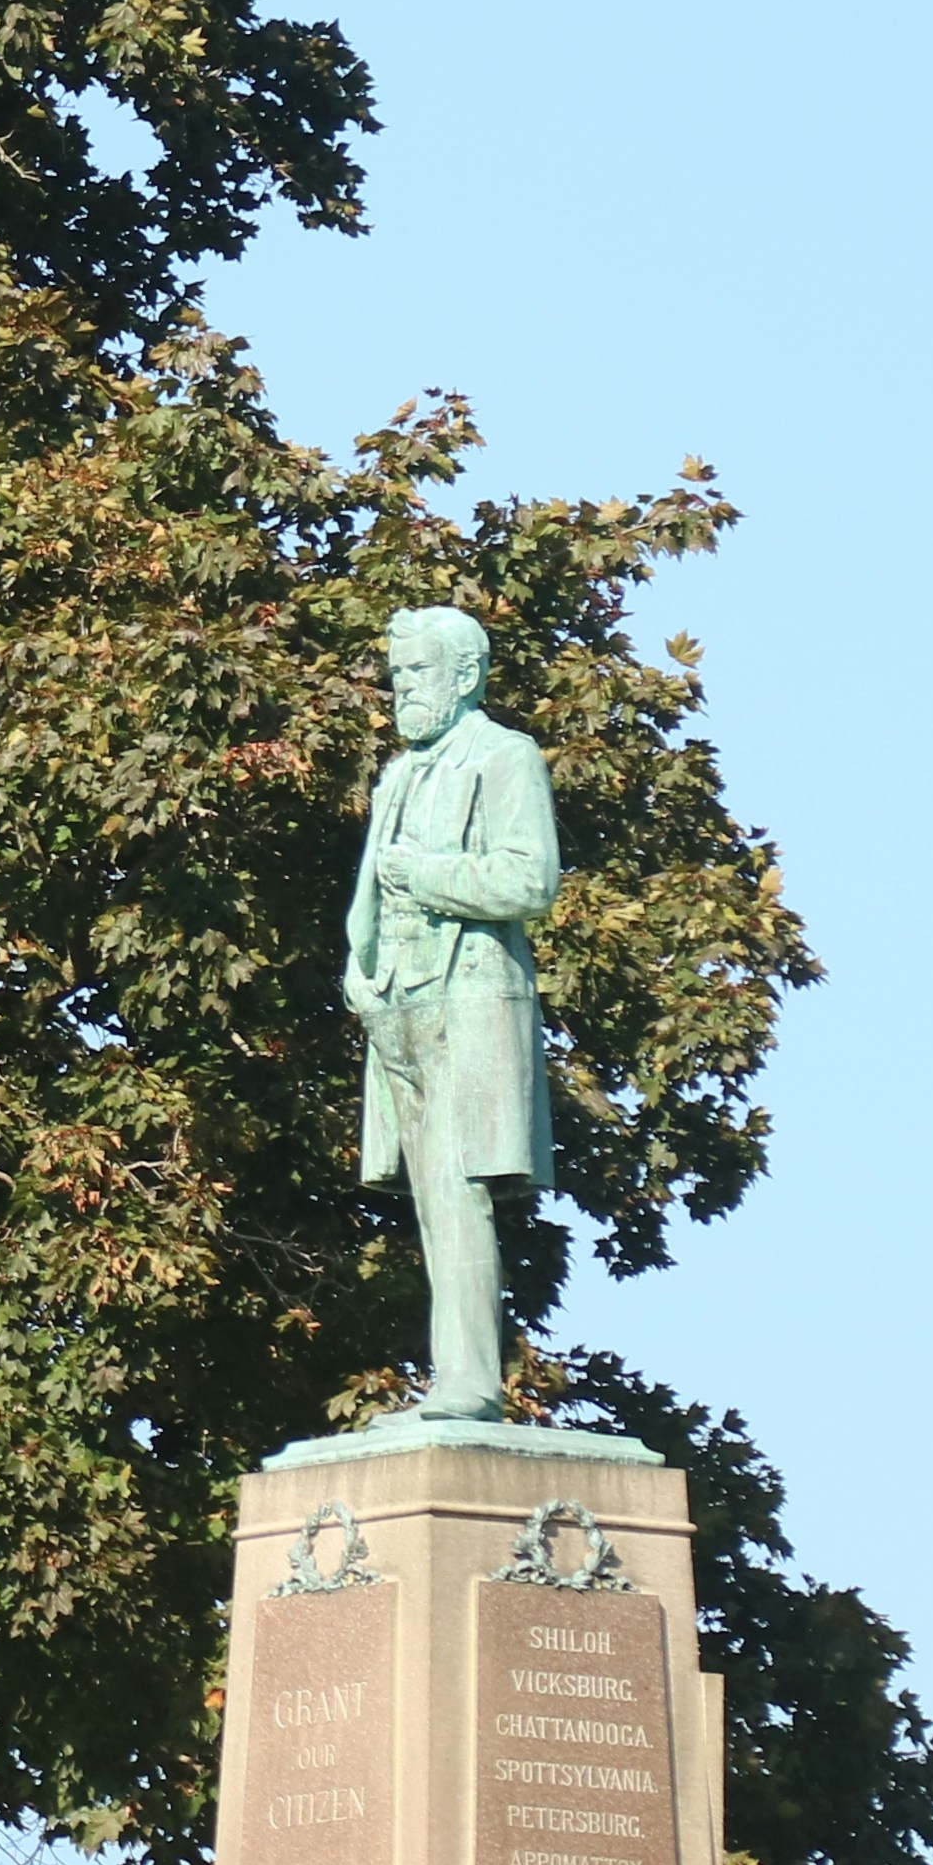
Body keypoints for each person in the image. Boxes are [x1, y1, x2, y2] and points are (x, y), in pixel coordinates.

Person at [342, 602, 558, 1417]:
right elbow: (369, 893)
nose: (403, 688)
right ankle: (452, 1375)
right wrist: (359, 974)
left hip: (469, 996)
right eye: (397, 674)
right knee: (432, 1195)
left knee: (459, 1184)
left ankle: (470, 1380)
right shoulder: (399, 773)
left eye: (419, 671)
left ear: (466, 676)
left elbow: (530, 880)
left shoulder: (506, 757)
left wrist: (428, 875)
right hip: (397, 1002)